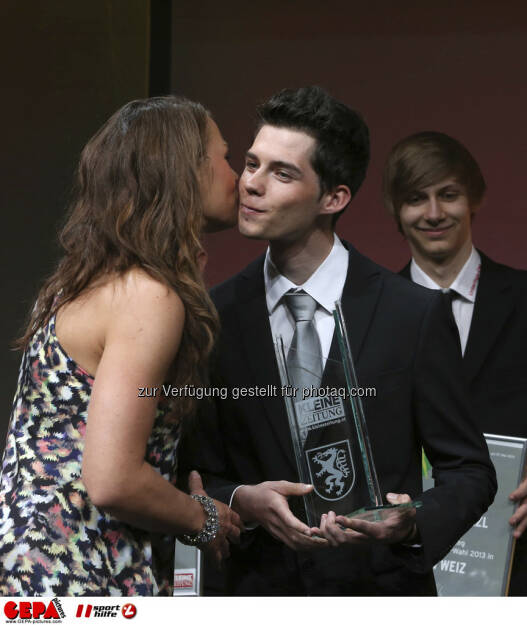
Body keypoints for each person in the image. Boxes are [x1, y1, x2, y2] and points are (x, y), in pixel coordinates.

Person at [179, 87, 496, 596]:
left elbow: (470, 471)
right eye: (252, 163)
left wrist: (412, 520)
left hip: (380, 588)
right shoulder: (210, 315)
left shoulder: (411, 313)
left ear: (334, 198)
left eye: (282, 173)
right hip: (258, 591)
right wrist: (240, 498)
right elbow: (194, 470)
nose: (251, 185)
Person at [0, 96, 243, 596]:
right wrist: (203, 518)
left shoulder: (87, 282)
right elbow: (113, 478)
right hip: (73, 568)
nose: (236, 175)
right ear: (185, 172)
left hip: (37, 559)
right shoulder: (148, 295)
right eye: (223, 157)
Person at [383, 130, 527, 595]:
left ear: (474, 199)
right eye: (415, 199)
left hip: (519, 554)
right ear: (396, 212)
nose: (433, 213)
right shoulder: (367, 317)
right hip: (404, 562)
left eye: (448, 195)